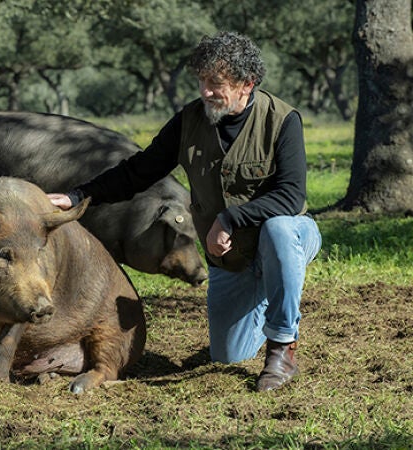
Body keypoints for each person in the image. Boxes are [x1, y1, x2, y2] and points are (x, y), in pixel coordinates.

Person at [48, 31, 322, 392]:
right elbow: (139, 170)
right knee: (228, 356)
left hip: (286, 238)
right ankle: (270, 292)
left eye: (216, 83)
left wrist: (228, 218)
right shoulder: (190, 121)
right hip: (232, 260)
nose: (205, 91)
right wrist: (79, 195)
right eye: (202, 81)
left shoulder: (283, 120)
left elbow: (290, 195)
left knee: (280, 230)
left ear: (247, 84)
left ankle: (282, 349)